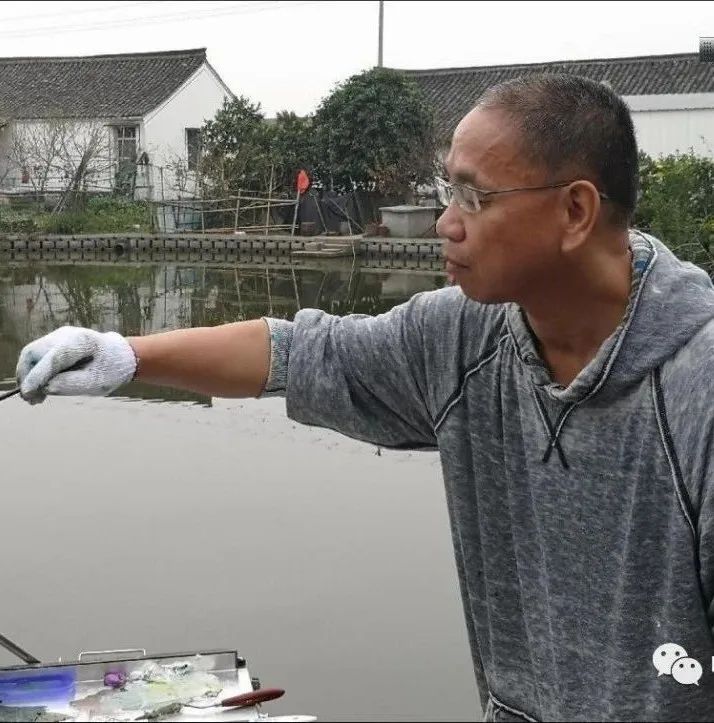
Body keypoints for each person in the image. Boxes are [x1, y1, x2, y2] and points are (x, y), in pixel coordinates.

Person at [15, 74, 714, 722]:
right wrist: (125, 354)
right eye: (447, 192)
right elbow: (295, 350)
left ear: (575, 210)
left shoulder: (696, 387)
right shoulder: (465, 338)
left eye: (473, 196)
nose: (446, 221)